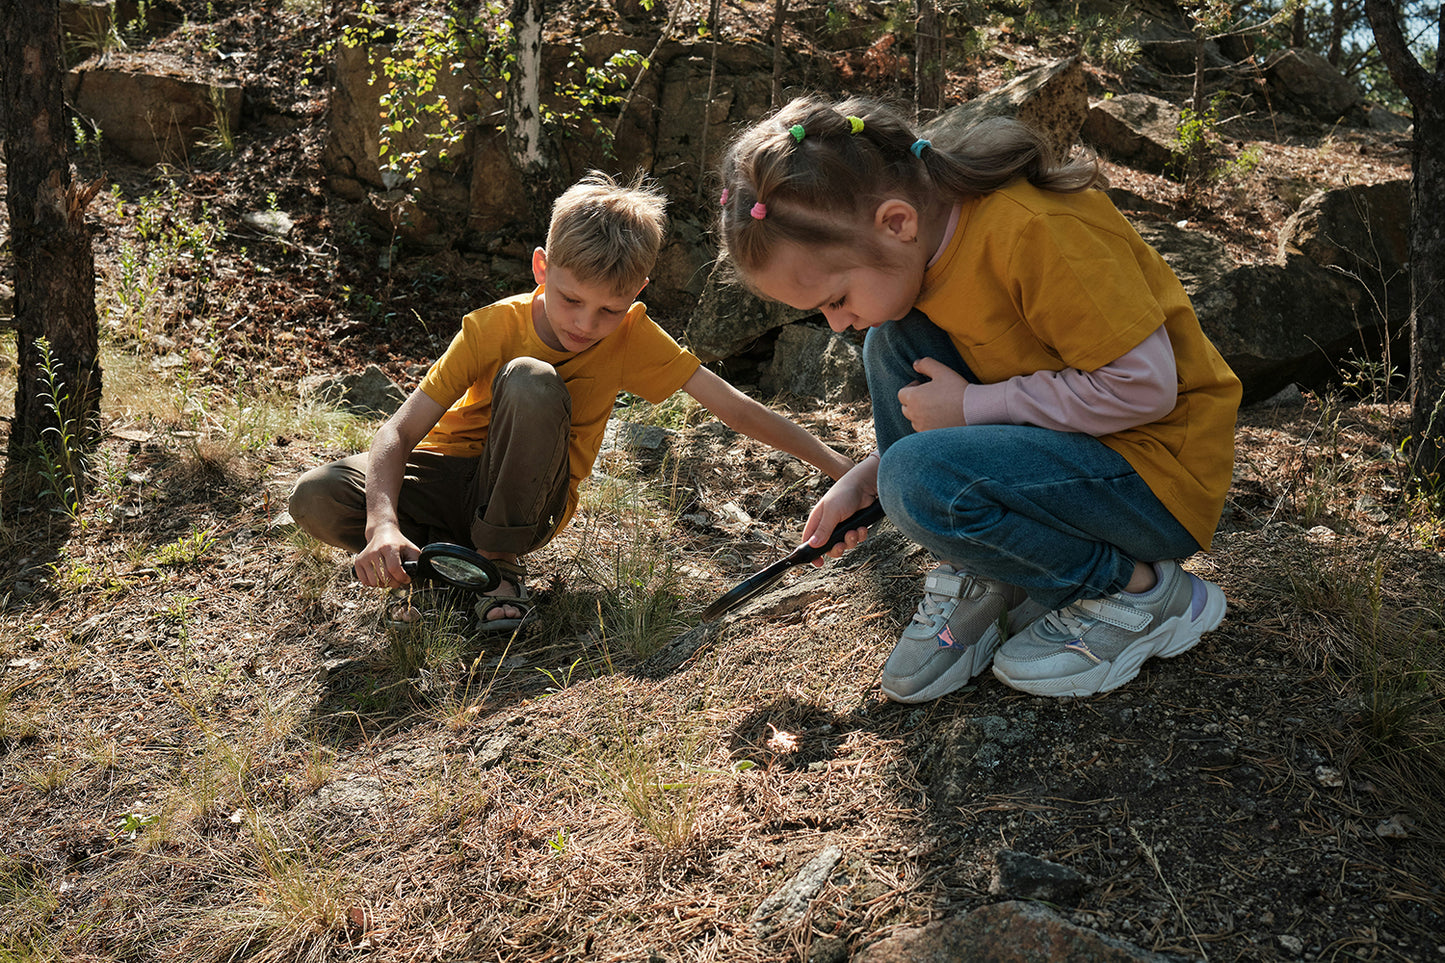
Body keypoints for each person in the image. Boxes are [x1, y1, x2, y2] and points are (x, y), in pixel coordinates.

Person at [714, 95, 1241, 701]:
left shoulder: (1038, 233)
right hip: (1072, 460)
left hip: (1155, 481)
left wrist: (969, 411)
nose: (835, 323)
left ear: (896, 222)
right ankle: (991, 571)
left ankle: (1138, 592)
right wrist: (873, 474)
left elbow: (1144, 388)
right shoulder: (929, 252)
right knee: (892, 339)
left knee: (914, 461)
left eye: (835, 298)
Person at [291, 170, 854, 632]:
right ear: (541, 268)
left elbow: (736, 408)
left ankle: (497, 563)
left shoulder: (634, 336)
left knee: (531, 379)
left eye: (610, 309)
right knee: (316, 496)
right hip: (448, 477)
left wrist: (843, 470)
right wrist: (381, 523)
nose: (587, 324)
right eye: (570, 300)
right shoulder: (492, 327)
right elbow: (398, 433)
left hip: (530, 501)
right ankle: (446, 567)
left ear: (636, 294)